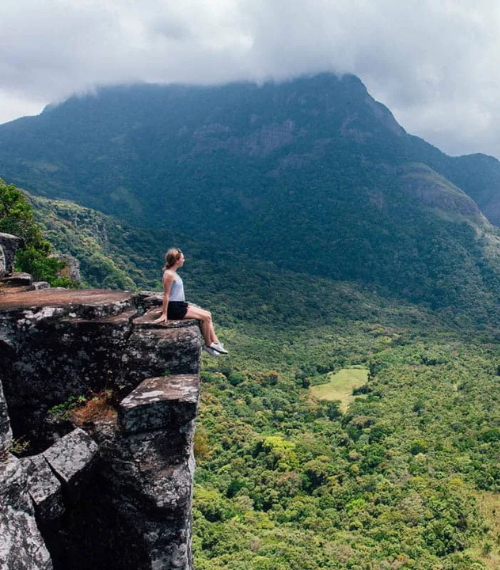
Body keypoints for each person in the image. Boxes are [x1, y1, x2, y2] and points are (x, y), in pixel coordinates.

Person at [153, 248, 228, 356]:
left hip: (180, 304)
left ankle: (215, 343)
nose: (184, 260)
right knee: (206, 318)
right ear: (176, 260)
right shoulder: (169, 274)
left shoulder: (172, 273)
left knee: (208, 314)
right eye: (182, 258)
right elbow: (166, 294)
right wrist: (164, 313)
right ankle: (208, 345)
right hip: (175, 308)